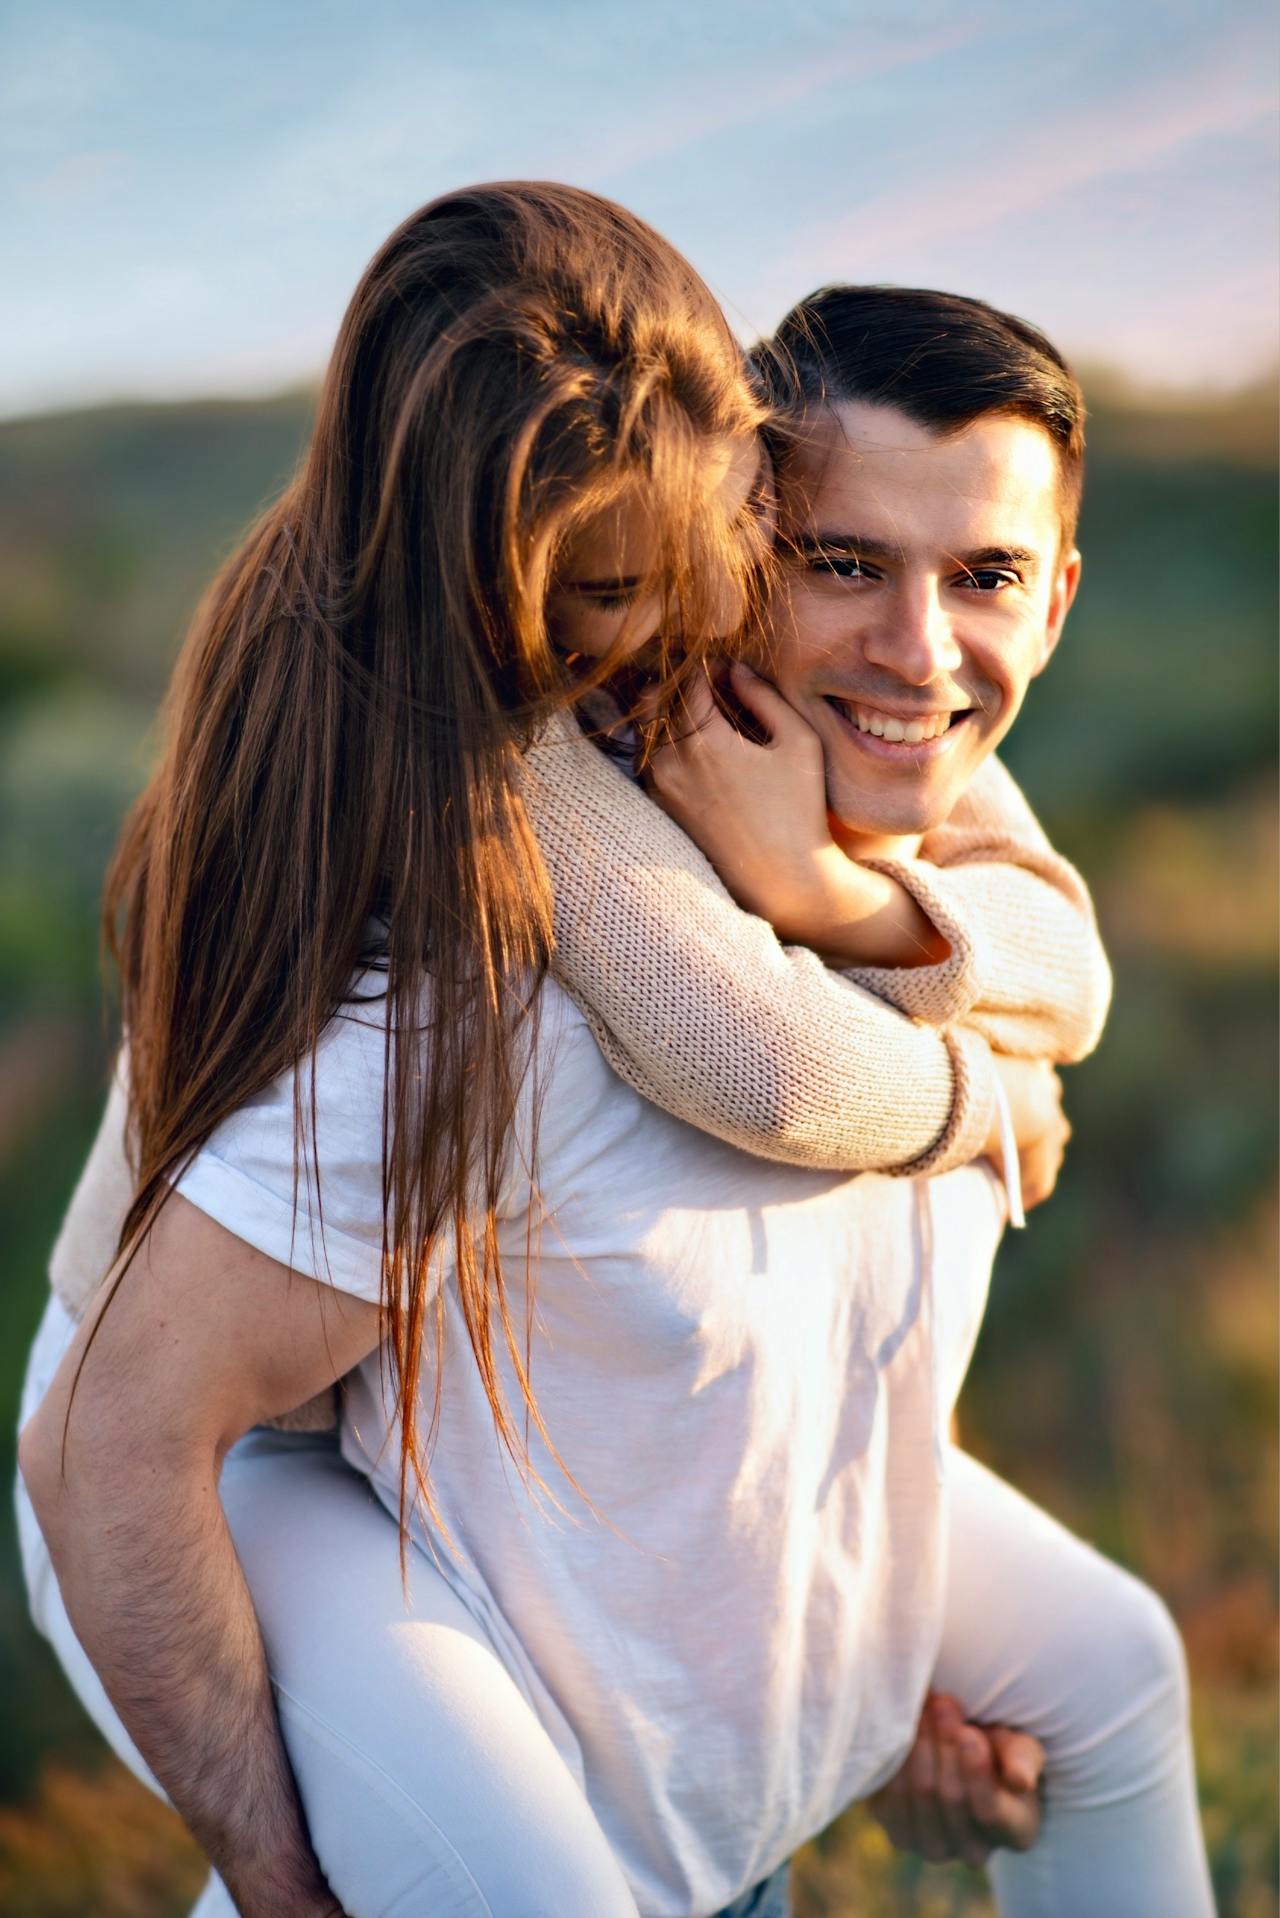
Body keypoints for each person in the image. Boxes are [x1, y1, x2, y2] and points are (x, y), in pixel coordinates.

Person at [15, 183, 1211, 1918]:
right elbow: (767, 1065)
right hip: (246, 1428)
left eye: (985, 580)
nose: (916, 647)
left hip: (521, 1432)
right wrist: (980, 1093)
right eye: (845, 563)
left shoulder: (858, 735)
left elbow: (1059, 951)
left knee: (1113, 1668)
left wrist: (853, 1691)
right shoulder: (500, 874)